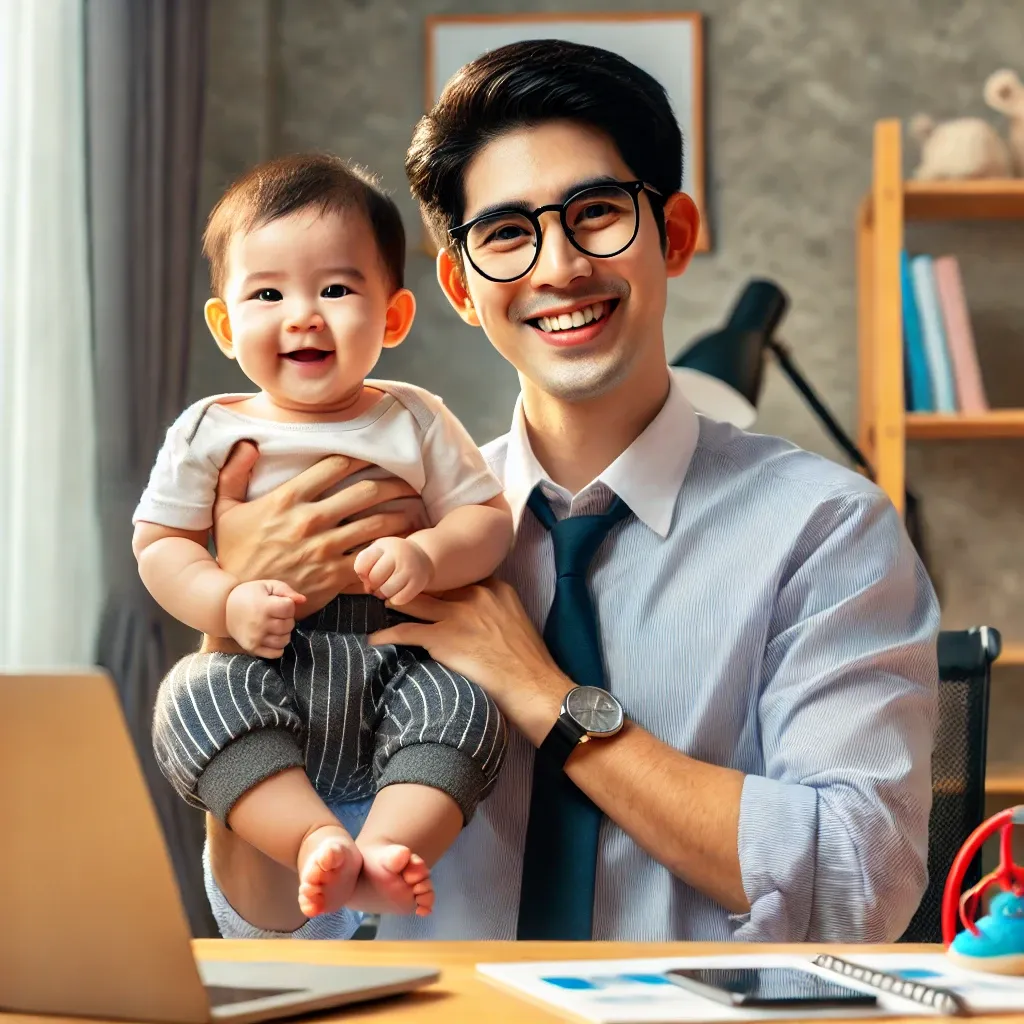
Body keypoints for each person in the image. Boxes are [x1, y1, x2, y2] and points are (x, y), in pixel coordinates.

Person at [184, 39, 939, 942]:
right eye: (506, 233)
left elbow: (859, 884)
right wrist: (229, 616)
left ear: (676, 233)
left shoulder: (826, 529)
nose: (558, 267)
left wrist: (546, 696)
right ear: (461, 286)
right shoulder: (379, 527)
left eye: (597, 213)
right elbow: (272, 923)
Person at [136, 154, 512, 924]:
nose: (303, 314)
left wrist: (428, 555)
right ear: (224, 323)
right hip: (266, 657)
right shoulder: (210, 430)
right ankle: (312, 842)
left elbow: (487, 521)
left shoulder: (415, 416)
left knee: (468, 708)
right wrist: (227, 600)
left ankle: (386, 849)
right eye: (267, 293)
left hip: (396, 655)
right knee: (192, 696)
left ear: (394, 317)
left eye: (336, 289)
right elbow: (161, 544)